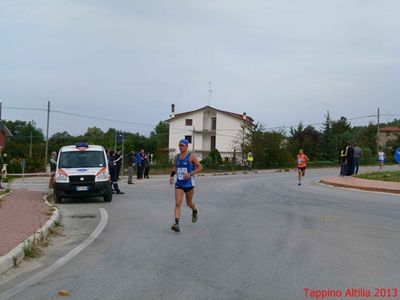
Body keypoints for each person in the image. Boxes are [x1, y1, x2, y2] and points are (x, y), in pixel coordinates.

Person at [169, 139, 203, 233]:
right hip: (179, 183)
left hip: (189, 183)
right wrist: (171, 176)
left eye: (182, 145)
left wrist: (190, 174)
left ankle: (194, 210)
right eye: (179, 145)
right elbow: (175, 167)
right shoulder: (177, 157)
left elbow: (200, 167)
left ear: (186, 147)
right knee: (178, 203)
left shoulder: (191, 157)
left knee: (189, 203)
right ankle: (176, 224)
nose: (180, 147)